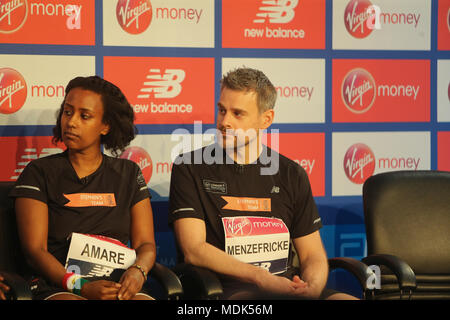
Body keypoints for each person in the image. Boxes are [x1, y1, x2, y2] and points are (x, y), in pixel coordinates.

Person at [168, 67, 357, 300]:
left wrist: (312, 289)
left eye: (237, 114)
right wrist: (260, 277)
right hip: (227, 292)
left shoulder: (291, 174)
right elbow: (194, 250)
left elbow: (312, 255)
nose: (224, 122)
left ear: (265, 119)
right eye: (221, 110)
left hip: (288, 288)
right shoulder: (189, 167)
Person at [9, 76, 156, 300]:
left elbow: (145, 244)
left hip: (116, 286)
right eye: (68, 112)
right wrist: (81, 286)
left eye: (84, 116)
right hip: (59, 286)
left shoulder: (129, 173)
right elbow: (35, 251)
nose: (71, 122)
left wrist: (139, 271)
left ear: (105, 125)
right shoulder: (39, 172)